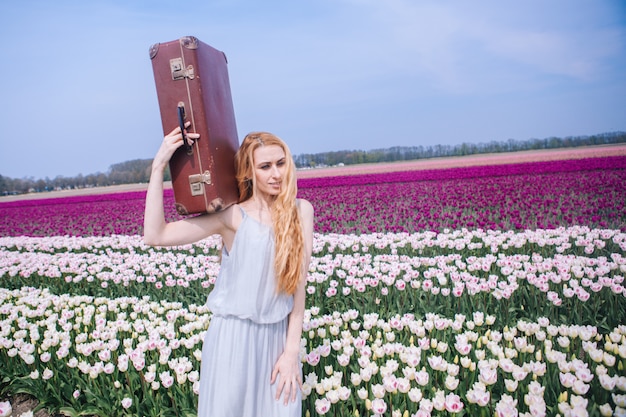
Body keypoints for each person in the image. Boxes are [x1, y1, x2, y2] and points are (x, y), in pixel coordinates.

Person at [143, 123, 314, 416]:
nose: (276, 173)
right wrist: (159, 166)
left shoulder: (301, 211)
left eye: (281, 163)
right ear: (249, 172)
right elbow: (155, 235)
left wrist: (291, 352)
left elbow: (298, 291)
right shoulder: (232, 217)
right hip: (233, 342)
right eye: (265, 166)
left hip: (277, 343)